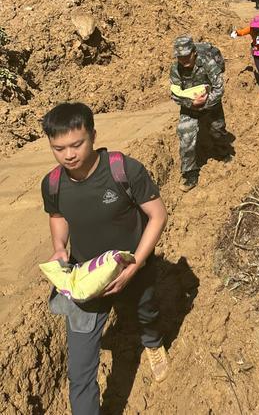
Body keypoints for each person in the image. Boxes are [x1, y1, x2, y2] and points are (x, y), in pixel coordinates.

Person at [40, 102, 169, 414]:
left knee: (145, 312)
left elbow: (158, 216)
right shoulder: (53, 184)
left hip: (133, 268)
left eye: (76, 144)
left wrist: (135, 264)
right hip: (86, 278)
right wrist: (60, 246)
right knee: (80, 372)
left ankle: (152, 342)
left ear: (93, 135)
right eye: (59, 148)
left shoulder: (123, 170)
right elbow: (57, 215)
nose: (68, 154)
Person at [170, 35, 229, 192]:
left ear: (194, 52)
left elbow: (219, 88)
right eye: (180, 57)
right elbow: (175, 93)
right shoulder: (175, 69)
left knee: (217, 130)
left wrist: (205, 103)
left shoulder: (207, 63)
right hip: (189, 106)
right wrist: (191, 104)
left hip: (210, 102)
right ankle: (190, 174)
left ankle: (223, 151)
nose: (183, 60)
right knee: (185, 135)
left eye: (186, 56)